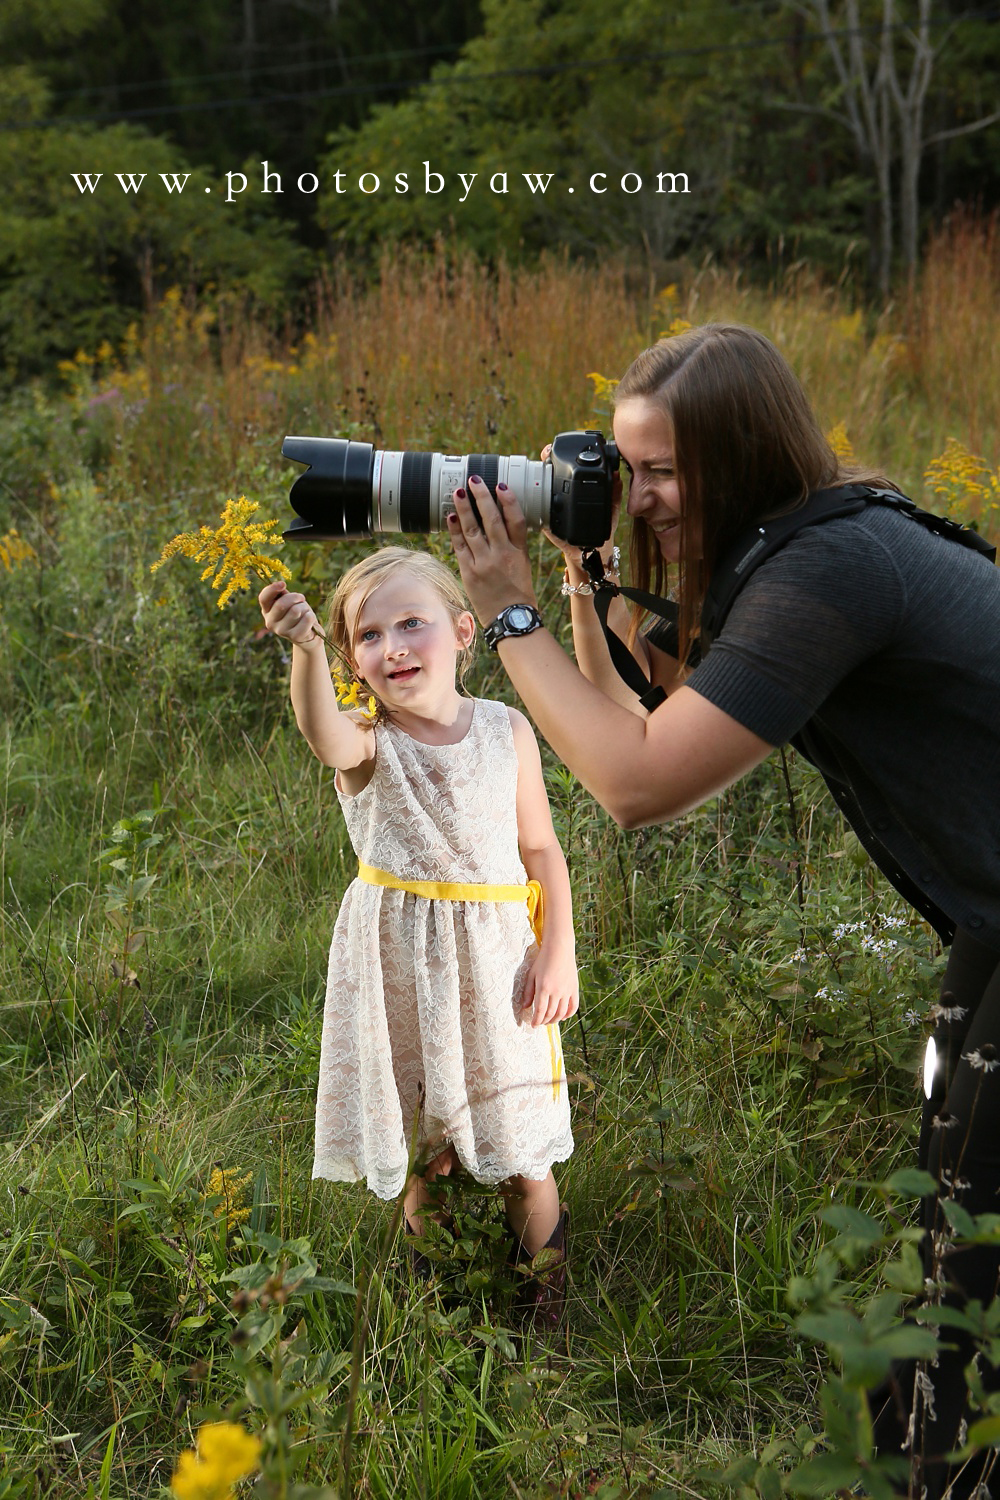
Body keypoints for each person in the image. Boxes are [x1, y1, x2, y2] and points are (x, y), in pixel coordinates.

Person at [443, 323, 1000, 1497]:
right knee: (956, 1221)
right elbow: (648, 717)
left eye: (660, 473)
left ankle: (931, 1472)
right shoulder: (802, 540)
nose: (638, 500)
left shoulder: (830, 570)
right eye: (625, 468)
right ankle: (917, 1465)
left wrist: (508, 615)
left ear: (744, 453)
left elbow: (638, 788)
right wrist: (587, 590)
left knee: (976, 1256)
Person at [257, 547, 577, 1321]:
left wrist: (557, 948)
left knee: (522, 1148)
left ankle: (548, 1305)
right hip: (402, 965)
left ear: (464, 631)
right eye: (367, 635)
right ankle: (436, 1297)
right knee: (428, 1150)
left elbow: (540, 849)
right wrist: (305, 653)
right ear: (353, 662)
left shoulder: (507, 731)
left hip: (499, 962)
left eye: (412, 623)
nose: (393, 645)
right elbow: (321, 734)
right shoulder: (369, 743)